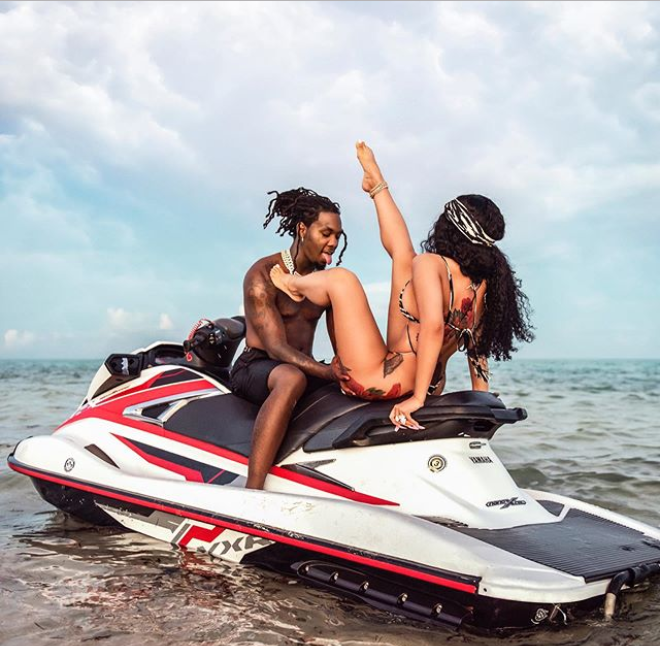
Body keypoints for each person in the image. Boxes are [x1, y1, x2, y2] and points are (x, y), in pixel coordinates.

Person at [270, 142, 533, 430]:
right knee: (405, 256)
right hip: (428, 382)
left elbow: (433, 328)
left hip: (381, 381)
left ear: (448, 229)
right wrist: (481, 396)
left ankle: (293, 283)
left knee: (342, 279)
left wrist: (417, 400)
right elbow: (477, 348)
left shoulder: (431, 264)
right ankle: (376, 186)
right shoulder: (480, 284)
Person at [231, 187, 352, 490]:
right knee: (291, 378)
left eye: (338, 236)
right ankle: (253, 489)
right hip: (258, 367)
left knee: (354, 387)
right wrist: (326, 372)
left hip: (305, 367)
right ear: (302, 229)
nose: (333, 243)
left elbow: (342, 343)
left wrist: (351, 374)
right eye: (326, 233)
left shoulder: (324, 282)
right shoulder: (262, 275)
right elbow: (275, 348)